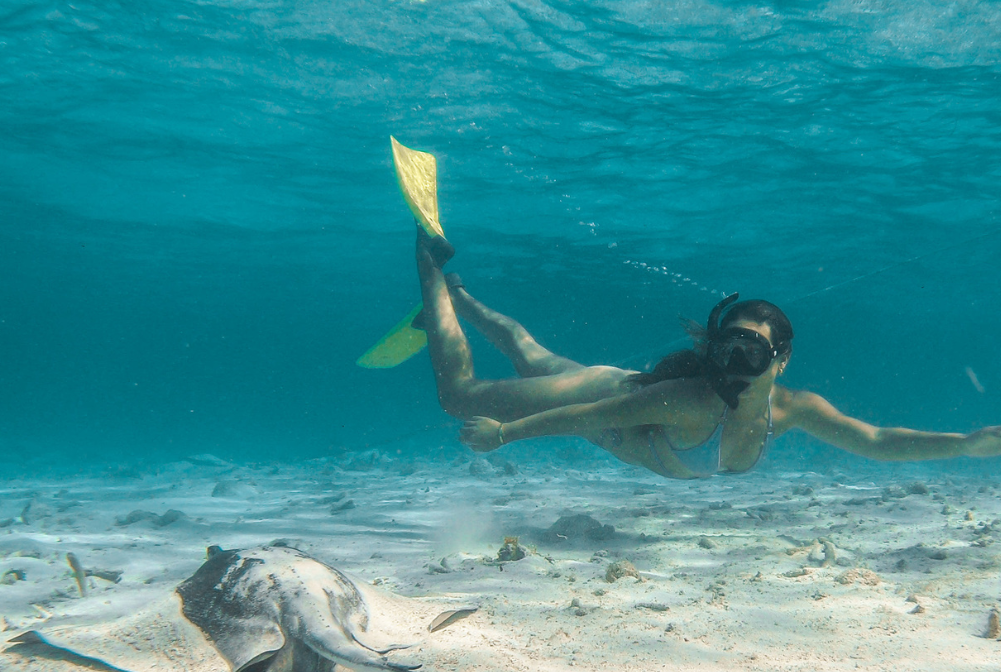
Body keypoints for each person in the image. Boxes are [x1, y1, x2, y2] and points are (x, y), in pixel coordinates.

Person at [414, 227, 1001, 479]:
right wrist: (505, 436)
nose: (734, 369)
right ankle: (431, 271)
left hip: (615, 390)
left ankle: (460, 296)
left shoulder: (795, 410)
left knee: (529, 353)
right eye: (727, 351)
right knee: (457, 396)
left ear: (781, 361)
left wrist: (966, 446)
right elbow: (587, 418)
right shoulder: (690, 401)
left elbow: (876, 441)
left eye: (752, 355)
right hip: (608, 395)